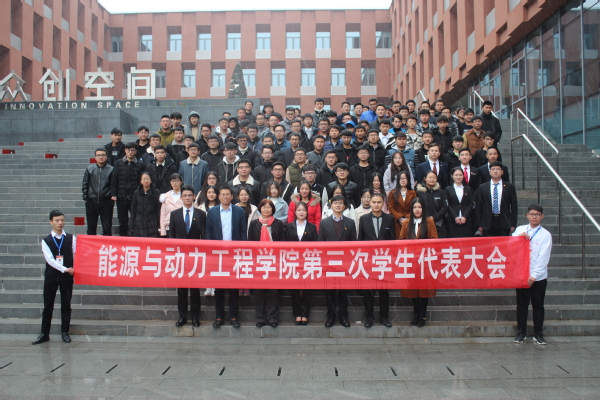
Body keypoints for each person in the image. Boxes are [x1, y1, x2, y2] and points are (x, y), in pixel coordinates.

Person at [32, 210, 76, 345]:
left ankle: (65, 332)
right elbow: (50, 260)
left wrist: (75, 268)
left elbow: (76, 253)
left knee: (66, 305)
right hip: (52, 276)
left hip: (67, 277)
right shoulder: (46, 241)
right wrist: (65, 269)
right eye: (57, 220)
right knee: (48, 306)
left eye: (62, 220)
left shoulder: (71, 238)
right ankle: (44, 334)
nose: (60, 223)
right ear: (51, 222)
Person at [206, 186, 247, 328]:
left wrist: (242, 250)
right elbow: (208, 233)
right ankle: (219, 316)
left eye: (227, 194)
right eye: (222, 194)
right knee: (219, 286)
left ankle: (233, 316)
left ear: (232, 196)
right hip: (218, 254)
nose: (225, 197)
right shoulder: (212, 212)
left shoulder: (239, 211)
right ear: (219, 196)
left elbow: (243, 232)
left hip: (234, 254)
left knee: (234, 286)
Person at [513, 204, 552, 345]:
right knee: (522, 305)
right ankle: (521, 332)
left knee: (538, 305)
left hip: (538, 277)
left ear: (542, 216)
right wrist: (519, 238)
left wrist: (534, 276)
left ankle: (538, 333)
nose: (534, 217)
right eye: (532, 214)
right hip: (522, 274)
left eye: (537, 214)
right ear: (527, 215)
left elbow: (543, 258)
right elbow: (511, 245)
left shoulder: (545, 235)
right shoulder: (520, 230)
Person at [168, 185, 207, 328]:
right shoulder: (175, 214)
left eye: (190, 195)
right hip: (180, 257)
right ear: (181, 197)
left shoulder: (201, 214)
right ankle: (182, 316)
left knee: (195, 289)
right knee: (182, 289)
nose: (187, 198)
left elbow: (204, 236)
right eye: (184, 195)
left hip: (195, 256)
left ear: (194, 197)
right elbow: (171, 236)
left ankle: (195, 317)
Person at [318, 195, 357, 327]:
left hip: (345, 262)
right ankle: (331, 316)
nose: (338, 205)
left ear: (344, 206)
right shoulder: (324, 223)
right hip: (329, 262)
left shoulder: (350, 223)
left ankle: (343, 316)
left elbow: (354, 243)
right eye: (335, 203)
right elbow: (320, 243)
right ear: (331, 206)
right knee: (329, 291)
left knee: (343, 291)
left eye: (340, 203)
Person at [358, 193, 395, 328]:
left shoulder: (390, 219)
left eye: (379, 202)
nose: (376, 205)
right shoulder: (363, 219)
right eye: (374, 202)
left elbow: (393, 240)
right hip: (369, 260)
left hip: (384, 260)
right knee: (369, 291)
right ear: (370, 203)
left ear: (383, 203)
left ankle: (384, 317)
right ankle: (369, 317)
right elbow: (360, 240)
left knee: (384, 291)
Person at [400, 198, 438, 327]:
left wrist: (422, 247)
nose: (417, 210)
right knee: (413, 290)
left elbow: (434, 240)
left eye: (419, 207)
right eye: (415, 207)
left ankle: (423, 315)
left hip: (425, 261)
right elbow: (401, 240)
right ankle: (416, 314)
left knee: (423, 290)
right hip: (411, 262)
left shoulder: (429, 222)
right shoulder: (406, 223)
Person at [247, 199, 286, 327]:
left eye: (269, 207)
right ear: (260, 209)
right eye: (264, 207)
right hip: (258, 261)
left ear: (273, 209)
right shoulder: (254, 224)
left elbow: (282, 242)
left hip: (274, 261)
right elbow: (250, 242)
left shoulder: (278, 223)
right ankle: (260, 318)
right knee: (259, 291)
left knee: (273, 291)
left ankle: (272, 318)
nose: (266, 209)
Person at [285, 201, 319, 325]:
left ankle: (305, 313)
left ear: (307, 212)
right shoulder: (288, 227)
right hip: (293, 261)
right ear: (295, 212)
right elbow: (284, 245)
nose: (301, 212)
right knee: (294, 288)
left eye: (303, 210)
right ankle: (297, 313)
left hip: (307, 260)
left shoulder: (312, 227)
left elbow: (316, 244)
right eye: (299, 210)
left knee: (306, 288)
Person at [475, 161, 518, 237]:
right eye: (493, 169)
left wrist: (513, 223)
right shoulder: (482, 187)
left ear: (502, 172)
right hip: (487, 222)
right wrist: (479, 224)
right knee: (489, 244)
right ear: (489, 172)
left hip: (504, 222)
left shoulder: (509, 187)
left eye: (498, 169)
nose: (495, 171)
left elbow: (514, 206)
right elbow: (478, 207)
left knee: (503, 244)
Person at [82, 148, 117, 236]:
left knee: (107, 227)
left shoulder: (111, 169)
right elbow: (85, 183)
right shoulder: (90, 169)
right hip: (91, 201)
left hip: (106, 202)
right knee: (91, 227)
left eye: (103, 155)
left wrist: (111, 196)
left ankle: (107, 244)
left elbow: (113, 184)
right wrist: (85, 197)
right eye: (99, 155)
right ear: (95, 157)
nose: (101, 157)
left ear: (107, 157)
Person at [114, 142, 145, 236]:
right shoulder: (118, 163)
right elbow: (114, 179)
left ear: (136, 151)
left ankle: (134, 237)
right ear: (125, 151)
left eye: (132, 150)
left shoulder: (140, 164)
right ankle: (123, 238)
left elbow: (142, 180)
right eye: (128, 150)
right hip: (121, 196)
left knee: (135, 219)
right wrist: (113, 193)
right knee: (122, 219)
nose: (130, 152)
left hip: (135, 196)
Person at [416, 171, 449, 238]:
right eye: (430, 177)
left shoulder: (441, 192)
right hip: (423, 222)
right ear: (425, 178)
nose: (432, 179)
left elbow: (445, 207)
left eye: (434, 178)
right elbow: (416, 207)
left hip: (438, 223)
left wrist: (435, 217)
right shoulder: (419, 192)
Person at [445, 167, 474, 238]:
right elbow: (447, 204)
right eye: (456, 175)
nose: (458, 177)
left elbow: (470, 204)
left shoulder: (468, 189)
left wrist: (464, 216)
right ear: (452, 176)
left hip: (466, 219)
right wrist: (455, 216)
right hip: (452, 220)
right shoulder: (448, 189)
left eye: (460, 175)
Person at [130, 172, 161, 237]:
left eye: (147, 179)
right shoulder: (136, 193)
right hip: (139, 224)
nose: (146, 181)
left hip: (152, 224)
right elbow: (133, 210)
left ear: (151, 181)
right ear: (141, 181)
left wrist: (159, 225)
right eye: (144, 179)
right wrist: (132, 225)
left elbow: (159, 209)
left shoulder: (156, 192)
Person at [388, 170, 418, 238]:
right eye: (401, 178)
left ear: (408, 180)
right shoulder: (392, 193)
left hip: (410, 220)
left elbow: (415, 207)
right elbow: (391, 208)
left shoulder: (413, 193)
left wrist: (407, 218)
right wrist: (400, 218)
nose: (403, 180)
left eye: (405, 178)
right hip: (397, 221)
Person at [159, 173, 184, 237]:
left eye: (177, 181)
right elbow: (163, 214)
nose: (175, 183)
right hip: (168, 227)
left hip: (182, 226)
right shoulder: (165, 196)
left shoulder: (185, 195)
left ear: (181, 182)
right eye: (172, 181)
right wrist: (163, 230)